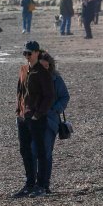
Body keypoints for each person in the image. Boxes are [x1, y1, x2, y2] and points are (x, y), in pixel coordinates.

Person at [13, 40, 56, 198]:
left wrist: (39, 114)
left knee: (40, 151)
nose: (27, 56)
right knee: (25, 151)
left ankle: (42, 185)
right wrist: (19, 111)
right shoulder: (23, 69)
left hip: (37, 118)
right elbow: (20, 91)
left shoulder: (42, 72)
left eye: (29, 53)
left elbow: (49, 96)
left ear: (37, 53)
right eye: (25, 53)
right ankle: (29, 183)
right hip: (23, 117)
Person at [36, 50, 68, 195]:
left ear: (50, 66)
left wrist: (55, 110)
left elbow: (65, 97)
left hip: (50, 121)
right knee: (33, 151)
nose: (44, 69)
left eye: (46, 66)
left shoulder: (56, 79)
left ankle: (44, 184)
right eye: (41, 66)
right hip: (34, 120)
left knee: (46, 153)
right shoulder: (31, 77)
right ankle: (35, 183)